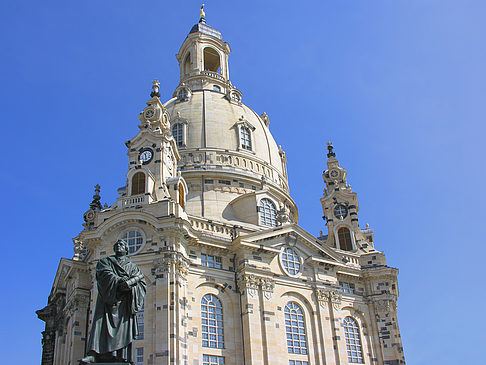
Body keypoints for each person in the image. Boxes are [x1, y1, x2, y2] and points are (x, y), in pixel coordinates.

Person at [80, 240, 146, 364]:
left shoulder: (133, 267)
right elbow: (104, 274)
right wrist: (120, 281)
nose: (119, 246)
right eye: (117, 245)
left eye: (122, 245)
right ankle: (94, 354)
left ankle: (121, 355)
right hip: (108, 301)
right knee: (100, 325)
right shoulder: (105, 261)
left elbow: (142, 284)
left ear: (127, 249)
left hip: (124, 304)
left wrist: (131, 285)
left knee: (123, 330)